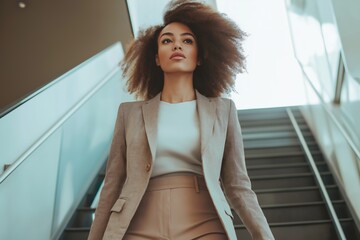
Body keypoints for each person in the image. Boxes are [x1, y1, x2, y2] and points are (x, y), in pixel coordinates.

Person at [88, 0, 274, 239]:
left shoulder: (223, 111)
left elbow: (238, 186)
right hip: (137, 222)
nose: (177, 45)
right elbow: (112, 186)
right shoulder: (129, 114)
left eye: (187, 40)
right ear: (156, 58)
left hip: (205, 220)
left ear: (199, 57)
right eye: (167, 40)